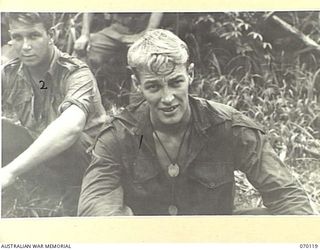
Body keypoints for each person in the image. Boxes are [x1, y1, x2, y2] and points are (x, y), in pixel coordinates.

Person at [77, 29, 314, 216]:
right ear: (136, 84)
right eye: (153, 86)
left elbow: (287, 196)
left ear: (190, 74)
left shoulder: (228, 126)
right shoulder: (117, 135)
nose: (168, 98)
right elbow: (95, 206)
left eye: (176, 82)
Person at [1, 13, 106, 215]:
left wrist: (10, 171)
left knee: (71, 139)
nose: (25, 46)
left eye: (33, 36)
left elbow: (71, 127)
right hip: (44, 155)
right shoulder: (10, 72)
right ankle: (43, 182)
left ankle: (70, 196)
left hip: (87, 163)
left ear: (52, 34)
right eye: (17, 37)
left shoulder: (76, 72)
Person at [73, 13, 163, 107]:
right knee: (83, 51)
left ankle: (137, 110)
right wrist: (84, 35)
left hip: (141, 30)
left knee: (144, 61)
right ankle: (78, 102)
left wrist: (148, 33)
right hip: (116, 29)